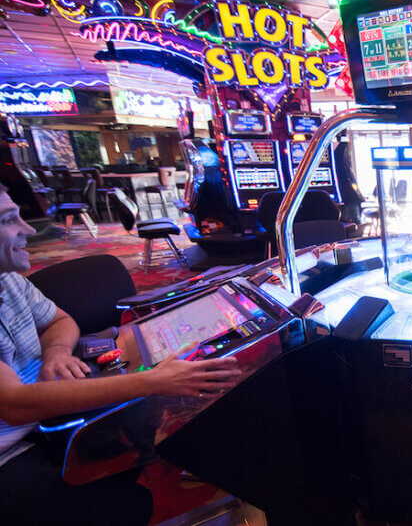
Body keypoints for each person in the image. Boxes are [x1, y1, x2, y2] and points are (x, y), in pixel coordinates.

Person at [0, 186, 241, 524]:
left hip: (43, 419)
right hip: (11, 451)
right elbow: (13, 404)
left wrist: (55, 352)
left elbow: (59, 320)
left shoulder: (9, 280)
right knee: (128, 504)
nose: (27, 229)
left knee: (144, 427)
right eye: (9, 220)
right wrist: (152, 381)